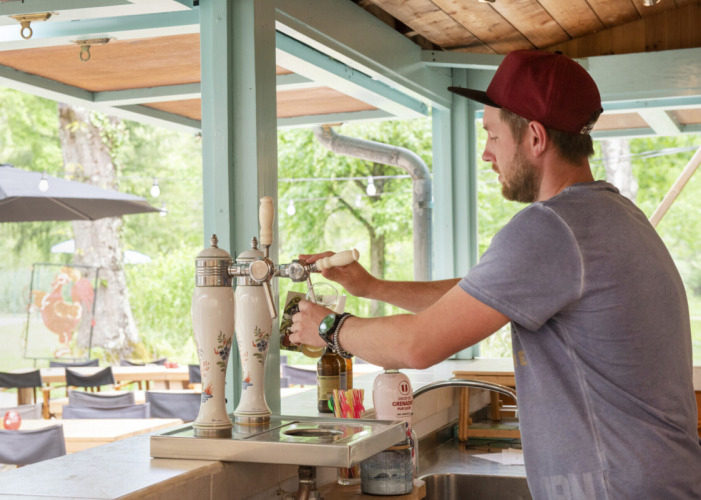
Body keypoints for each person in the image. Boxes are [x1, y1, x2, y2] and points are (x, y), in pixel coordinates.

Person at [290, 50, 701, 499]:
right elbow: (476, 297)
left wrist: (328, 327)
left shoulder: (550, 227)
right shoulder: (608, 214)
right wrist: (371, 287)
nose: (486, 153)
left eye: (492, 135)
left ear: (536, 138)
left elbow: (418, 344)